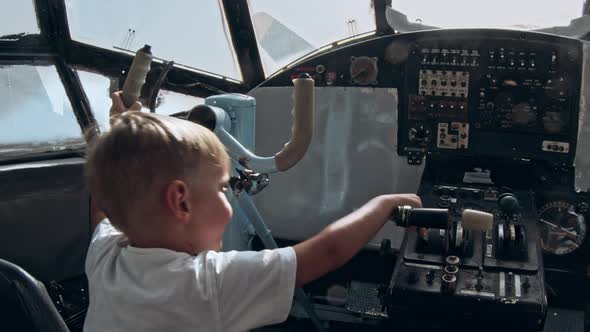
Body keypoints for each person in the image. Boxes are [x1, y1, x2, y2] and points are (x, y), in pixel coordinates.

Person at [83, 92, 422, 332]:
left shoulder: (105, 257)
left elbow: (103, 209)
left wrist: (118, 130)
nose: (228, 196)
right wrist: (385, 204)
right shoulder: (207, 285)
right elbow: (328, 252)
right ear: (181, 202)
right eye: (221, 187)